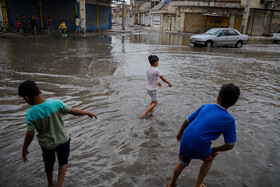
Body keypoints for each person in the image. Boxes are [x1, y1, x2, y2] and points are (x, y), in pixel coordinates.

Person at [18, 80, 97, 187]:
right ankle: (59, 184)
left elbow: (30, 135)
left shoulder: (30, 114)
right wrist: (87, 112)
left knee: (48, 164)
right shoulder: (55, 103)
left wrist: (24, 149)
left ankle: (50, 184)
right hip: (63, 140)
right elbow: (72, 111)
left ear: (26, 98)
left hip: (47, 145)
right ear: (40, 91)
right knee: (63, 161)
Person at [168, 83, 240, 187]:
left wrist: (180, 133)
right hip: (200, 145)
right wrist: (213, 150)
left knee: (182, 162)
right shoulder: (229, 120)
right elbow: (230, 145)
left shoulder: (206, 106)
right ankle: (197, 185)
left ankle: (172, 183)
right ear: (233, 104)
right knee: (209, 159)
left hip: (185, 140)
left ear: (218, 97)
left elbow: (187, 120)